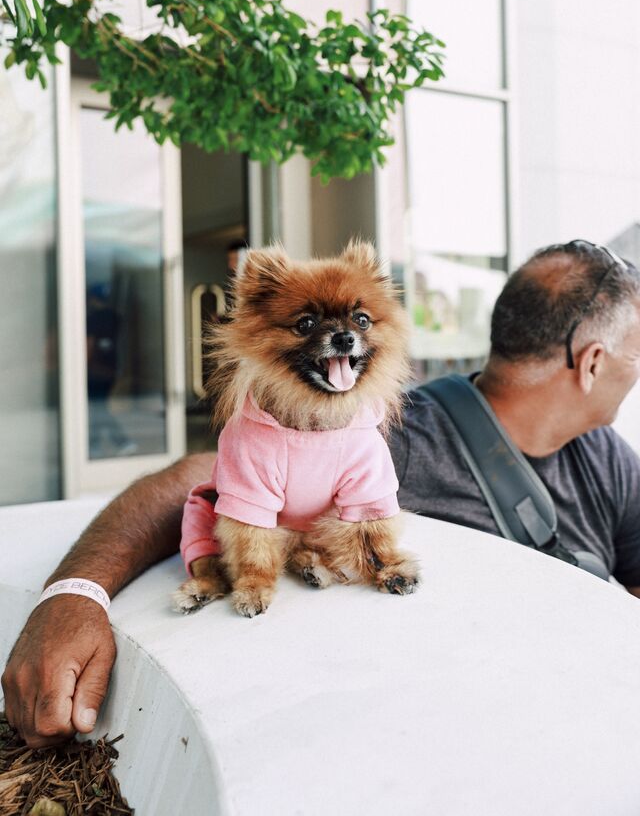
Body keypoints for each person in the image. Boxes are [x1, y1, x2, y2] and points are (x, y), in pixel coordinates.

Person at [4, 239, 640, 747]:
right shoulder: (384, 423)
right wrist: (72, 598)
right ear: (591, 361)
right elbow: (198, 482)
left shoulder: (609, 459)